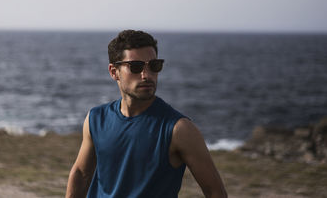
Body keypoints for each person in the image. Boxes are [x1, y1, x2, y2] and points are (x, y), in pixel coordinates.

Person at [66, 30, 227, 198]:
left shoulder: (179, 129)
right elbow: (81, 174)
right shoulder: (96, 119)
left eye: (154, 66)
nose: (146, 75)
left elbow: (215, 192)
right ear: (114, 72)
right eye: (135, 67)